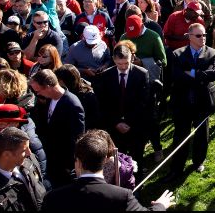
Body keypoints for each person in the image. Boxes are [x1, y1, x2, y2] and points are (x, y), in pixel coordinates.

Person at [42, 130, 174, 211]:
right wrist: (160, 205)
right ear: (105, 160)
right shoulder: (122, 196)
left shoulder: (53, 198)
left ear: (78, 161)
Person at [164, 23, 215, 181]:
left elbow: (214, 73)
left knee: (202, 135)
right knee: (180, 136)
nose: (203, 38)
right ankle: (176, 169)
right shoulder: (177, 54)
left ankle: (198, 161)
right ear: (189, 37)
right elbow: (176, 76)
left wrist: (192, 73)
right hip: (183, 102)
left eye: (204, 35)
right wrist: (201, 76)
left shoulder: (212, 53)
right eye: (199, 35)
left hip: (203, 102)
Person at [29, 69, 85, 188]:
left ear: (48, 87)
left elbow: (76, 138)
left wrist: (69, 165)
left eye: (38, 91)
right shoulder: (50, 99)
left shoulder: (72, 105)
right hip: (51, 156)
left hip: (63, 163)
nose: (37, 94)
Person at [95, 43, 149, 164]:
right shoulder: (106, 75)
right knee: (117, 160)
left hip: (135, 125)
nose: (123, 67)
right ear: (114, 59)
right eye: (119, 64)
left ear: (132, 58)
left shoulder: (141, 74)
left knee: (136, 158)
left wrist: (129, 122)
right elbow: (104, 103)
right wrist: (116, 123)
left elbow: (143, 101)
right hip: (114, 127)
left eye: (126, 63)